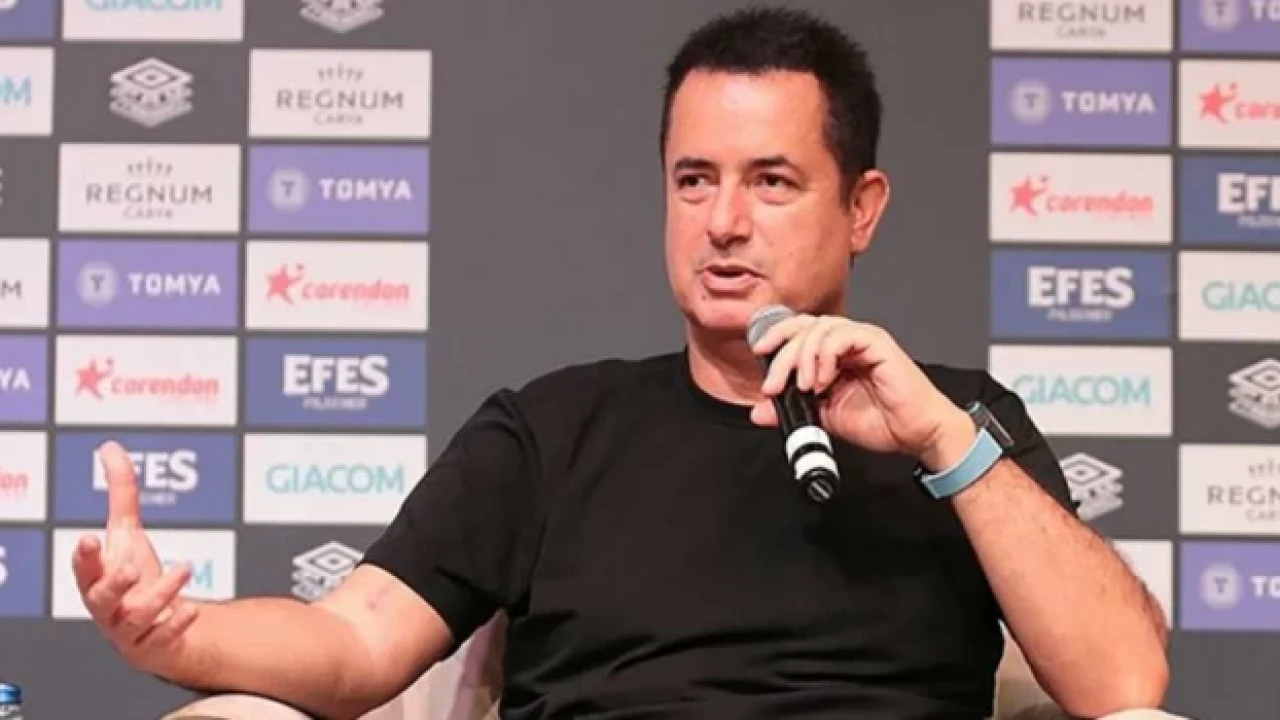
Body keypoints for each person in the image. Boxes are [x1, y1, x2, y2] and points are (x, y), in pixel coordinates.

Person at [74, 6, 1173, 720]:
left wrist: (941, 442)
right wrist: (183, 633)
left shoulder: (959, 420)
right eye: (694, 179)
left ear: (861, 209)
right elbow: (355, 640)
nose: (723, 221)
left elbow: (1123, 686)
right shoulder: (553, 430)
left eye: (772, 181)